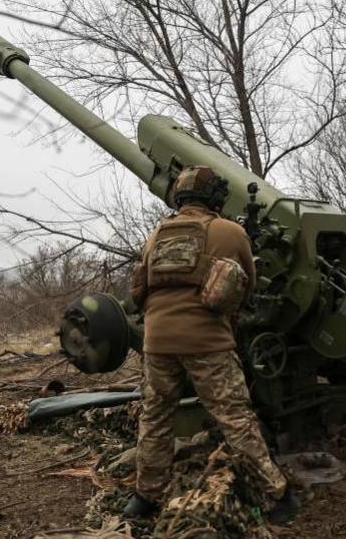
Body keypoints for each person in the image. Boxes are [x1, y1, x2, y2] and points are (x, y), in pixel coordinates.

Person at [122, 166, 300, 524]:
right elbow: (248, 286)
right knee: (235, 418)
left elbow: (138, 290)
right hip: (206, 340)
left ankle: (145, 497)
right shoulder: (229, 232)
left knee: (156, 418)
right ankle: (277, 497)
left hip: (157, 341)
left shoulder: (157, 234)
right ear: (216, 197)